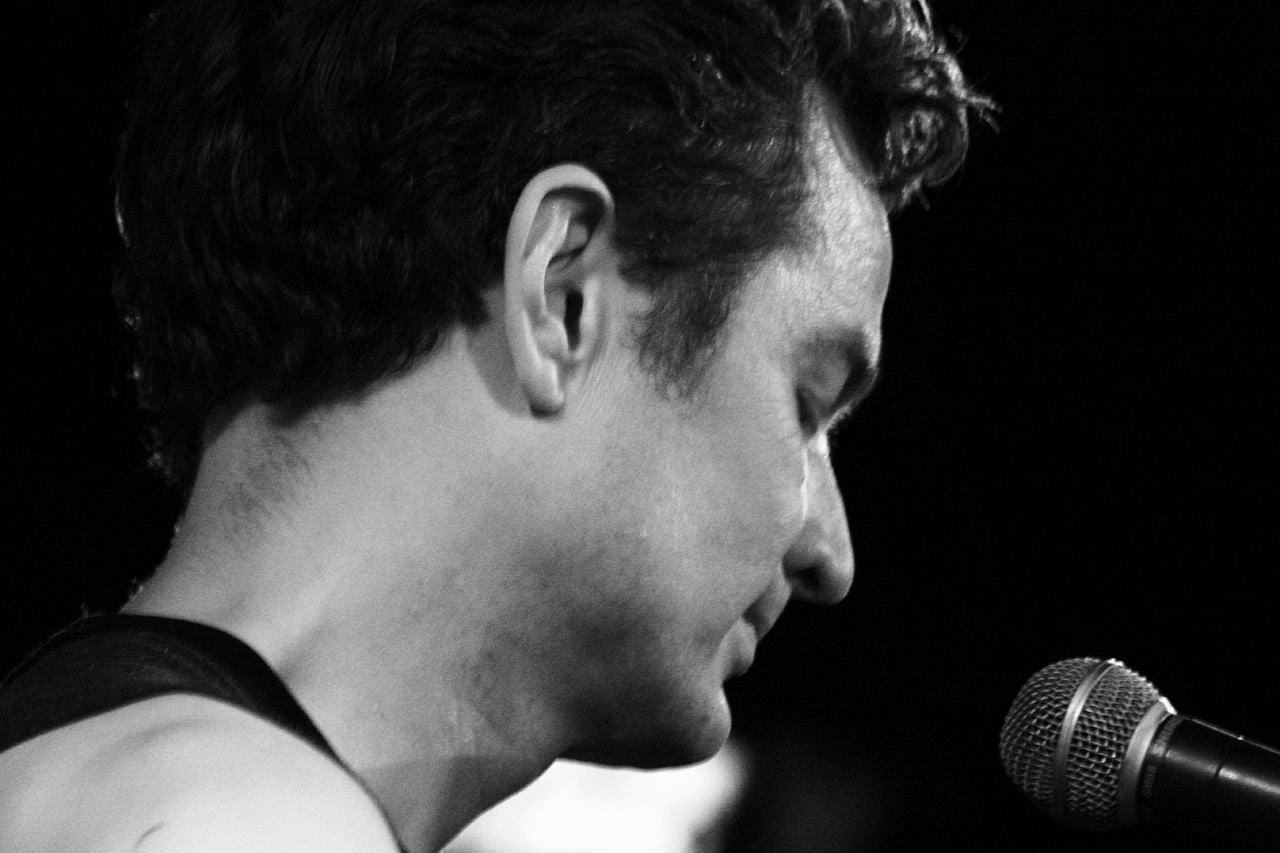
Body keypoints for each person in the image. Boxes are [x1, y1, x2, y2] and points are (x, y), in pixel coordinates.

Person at [0, 1, 987, 850]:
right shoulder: (245, 823)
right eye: (808, 401)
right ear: (560, 296)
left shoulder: (88, 773)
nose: (830, 552)